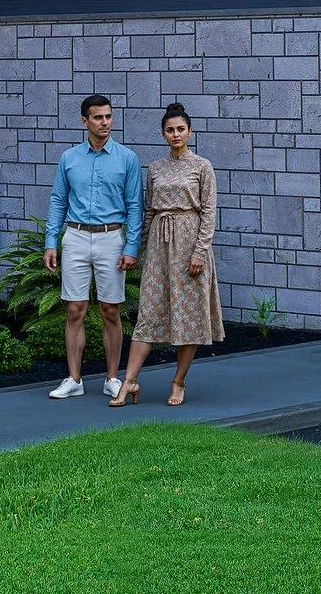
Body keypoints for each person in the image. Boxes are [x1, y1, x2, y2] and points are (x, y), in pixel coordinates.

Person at [113, 103, 222, 407]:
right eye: (170, 130)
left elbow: (209, 212)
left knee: (189, 316)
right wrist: (136, 249)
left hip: (190, 246)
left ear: (190, 132)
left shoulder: (202, 166)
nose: (176, 134)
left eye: (180, 129)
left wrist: (199, 252)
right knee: (147, 314)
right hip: (160, 247)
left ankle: (178, 382)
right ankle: (129, 381)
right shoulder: (156, 168)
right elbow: (148, 211)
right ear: (163, 133)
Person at [42, 94, 143, 399]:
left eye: (108, 116)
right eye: (98, 117)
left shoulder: (127, 158)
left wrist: (132, 247)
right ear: (84, 121)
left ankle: (112, 378)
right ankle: (74, 379)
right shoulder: (69, 158)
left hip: (111, 238)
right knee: (75, 310)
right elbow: (58, 200)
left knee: (110, 310)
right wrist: (51, 242)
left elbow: (135, 205)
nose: (105, 123)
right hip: (75, 236)